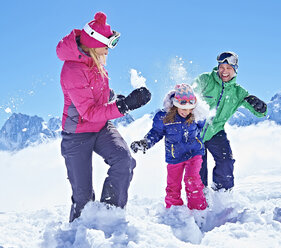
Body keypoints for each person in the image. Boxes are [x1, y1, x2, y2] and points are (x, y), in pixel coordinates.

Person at [56, 12, 151, 222]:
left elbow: (100, 94)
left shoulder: (95, 61)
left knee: (124, 161)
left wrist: (120, 98)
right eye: (107, 44)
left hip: (101, 128)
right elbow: (88, 112)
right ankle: (79, 237)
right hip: (77, 134)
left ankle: (110, 216)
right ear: (94, 43)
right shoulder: (72, 70)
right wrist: (124, 106)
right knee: (83, 200)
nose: (109, 49)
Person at [193, 51, 267, 191]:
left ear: (235, 70)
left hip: (216, 131)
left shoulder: (238, 92)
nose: (224, 71)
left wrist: (261, 108)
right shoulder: (205, 80)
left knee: (226, 162)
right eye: (222, 67)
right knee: (198, 169)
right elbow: (190, 95)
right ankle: (200, 201)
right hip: (196, 131)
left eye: (229, 68)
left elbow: (259, 113)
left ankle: (223, 196)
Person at [130, 84, 208, 210]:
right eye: (183, 108)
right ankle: (174, 211)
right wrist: (145, 143)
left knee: (192, 180)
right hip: (174, 156)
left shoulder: (197, 115)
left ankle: (198, 210)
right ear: (175, 104)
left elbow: (200, 127)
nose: (187, 112)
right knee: (173, 186)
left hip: (194, 153)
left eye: (190, 109)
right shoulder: (164, 118)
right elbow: (156, 133)